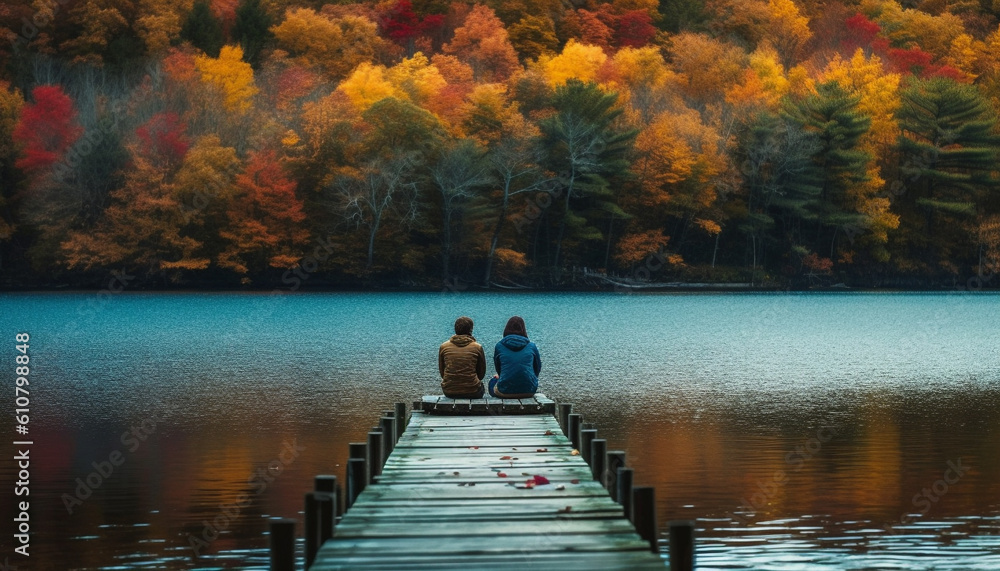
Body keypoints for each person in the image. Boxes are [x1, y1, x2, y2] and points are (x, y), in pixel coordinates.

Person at [489, 316, 541, 399]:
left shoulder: (499, 346)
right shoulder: (531, 346)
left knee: (492, 383)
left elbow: (499, 369)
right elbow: (537, 369)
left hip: (505, 391)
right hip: (529, 391)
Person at [439, 316, 486, 398]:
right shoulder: (477, 347)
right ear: (471, 330)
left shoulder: (444, 346)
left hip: (449, 391)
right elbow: (481, 375)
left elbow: (442, 373)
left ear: (455, 329)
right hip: (473, 391)